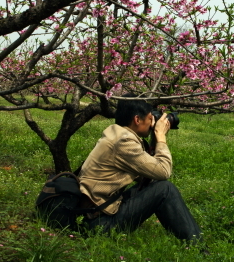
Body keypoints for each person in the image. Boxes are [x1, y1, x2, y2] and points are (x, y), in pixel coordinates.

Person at [78, 96, 202, 242]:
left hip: (96, 214)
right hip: (101, 225)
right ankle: (197, 245)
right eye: (150, 119)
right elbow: (163, 171)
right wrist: (161, 137)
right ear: (137, 120)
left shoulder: (116, 133)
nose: (152, 123)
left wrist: (154, 140)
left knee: (155, 186)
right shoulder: (124, 142)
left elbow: (149, 177)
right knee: (165, 190)